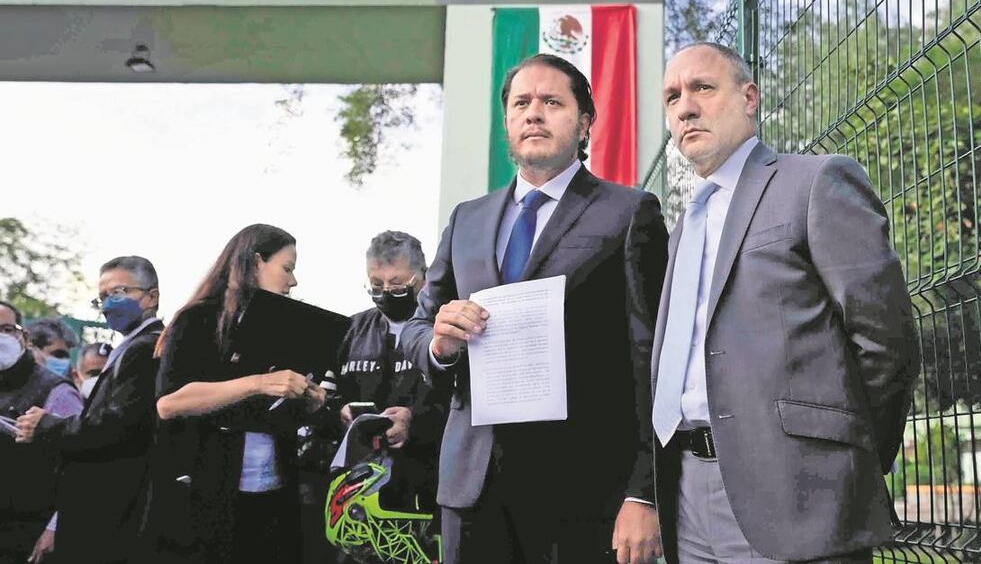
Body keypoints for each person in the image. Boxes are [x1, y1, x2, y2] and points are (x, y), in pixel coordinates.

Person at [650, 43, 919, 563]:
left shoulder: (814, 182)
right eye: (672, 97)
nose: (684, 107)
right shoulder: (684, 226)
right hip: (684, 493)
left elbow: (886, 340)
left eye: (703, 88)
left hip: (797, 492)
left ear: (749, 97)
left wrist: (843, 460)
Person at [400, 53, 669, 564]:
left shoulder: (629, 212)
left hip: (586, 494)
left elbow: (653, 357)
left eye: (552, 102)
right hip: (473, 489)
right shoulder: (468, 219)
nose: (534, 113)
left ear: (585, 121)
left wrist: (644, 490)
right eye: (521, 103)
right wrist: (439, 345)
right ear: (507, 120)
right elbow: (417, 325)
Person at [151, 224, 326, 564]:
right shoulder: (197, 319)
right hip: (208, 496)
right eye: (287, 268)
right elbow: (169, 403)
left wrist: (310, 399)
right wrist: (258, 383)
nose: (293, 282)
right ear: (256, 261)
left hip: (274, 492)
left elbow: (276, 411)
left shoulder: (286, 327)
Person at [15, 256, 165, 564]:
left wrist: (48, 425)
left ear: (152, 296)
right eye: (103, 297)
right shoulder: (132, 346)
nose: (109, 304)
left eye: (119, 292)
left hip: (115, 509)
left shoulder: (145, 349)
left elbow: (118, 425)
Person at [321, 230, 448, 562]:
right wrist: (341, 412)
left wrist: (414, 422)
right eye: (376, 284)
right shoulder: (347, 331)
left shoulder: (444, 331)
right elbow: (321, 400)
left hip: (426, 491)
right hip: (357, 498)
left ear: (422, 278)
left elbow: (464, 403)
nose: (386, 292)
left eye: (396, 283)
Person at [0, 301, 81, 564]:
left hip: (26, 534)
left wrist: (55, 527)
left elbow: (80, 463)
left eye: (6, 329)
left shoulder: (56, 391)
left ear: (23, 336)